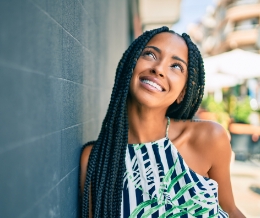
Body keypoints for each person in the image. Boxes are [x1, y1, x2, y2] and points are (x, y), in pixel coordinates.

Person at [79, 26, 245, 218]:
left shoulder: (208, 138)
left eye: (176, 66)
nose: (158, 69)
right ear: (130, 65)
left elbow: (230, 210)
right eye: (150, 54)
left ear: (183, 92)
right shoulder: (97, 160)